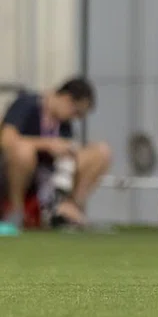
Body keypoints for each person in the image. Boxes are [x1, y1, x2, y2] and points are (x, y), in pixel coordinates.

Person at [0, 77, 111, 234]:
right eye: (76, 112)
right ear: (66, 99)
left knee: (100, 152)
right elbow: (6, 139)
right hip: (16, 175)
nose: (75, 118)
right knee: (23, 151)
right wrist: (47, 144)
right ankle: (16, 211)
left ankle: (68, 208)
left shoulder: (64, 124)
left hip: (48, 178)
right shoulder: (27, 104)